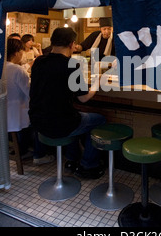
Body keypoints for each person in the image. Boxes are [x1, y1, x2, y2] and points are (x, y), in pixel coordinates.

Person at [29, 27, 106, 179]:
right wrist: (96, 84)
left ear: (52, 42)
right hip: (61, 124)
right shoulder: (71, 65)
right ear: (72, 44)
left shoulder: (38, 62)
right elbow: (83, 98)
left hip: (37, 122)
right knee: (99, 120)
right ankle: (87, 164)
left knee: (73, 115)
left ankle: (71, 159)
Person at [6, 38, 55, 165]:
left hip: (5, 113)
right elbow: (31, 93)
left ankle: (23, 150)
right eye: (21, 52)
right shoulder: (17, 70)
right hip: (18, 114)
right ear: (17, 53)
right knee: (40, 115)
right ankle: (39, 154)